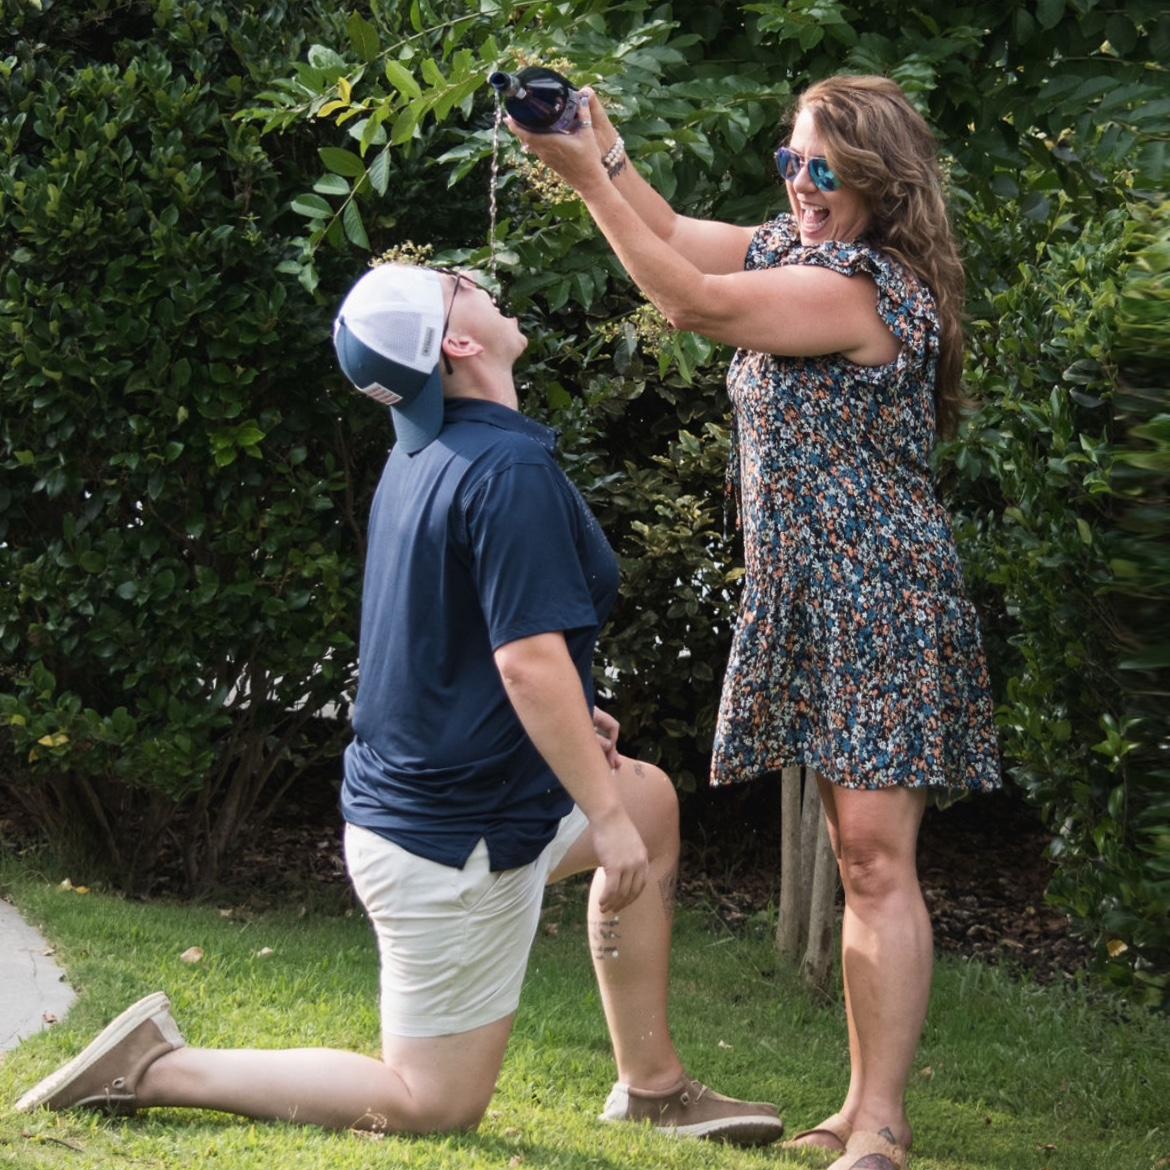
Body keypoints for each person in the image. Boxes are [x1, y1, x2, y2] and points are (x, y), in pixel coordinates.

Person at [15, 262, 784, 1147]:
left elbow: (455, 642)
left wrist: (579, 726)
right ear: (456, 343)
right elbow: (527, 663)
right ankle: (154, 1067)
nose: (481, 282)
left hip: (447, 808)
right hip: (454, 844)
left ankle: (653, 1088)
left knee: (649, 802)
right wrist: (598, 815)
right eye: (460, 285)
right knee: (432, 1103)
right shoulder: (504, 469)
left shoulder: (426, 453)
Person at [509, 74, 1001, 1170]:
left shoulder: (870, 292)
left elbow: (691, 300)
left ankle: (877, 1124)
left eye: (824, 169)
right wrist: (606, 150)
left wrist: (583, 179)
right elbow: (681, 237)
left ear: (880, 177)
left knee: (874, 859)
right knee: (853, 845)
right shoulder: (798, 249)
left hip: (881, 599)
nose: (800, 184)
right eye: (790, 161)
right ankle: (856, 1107)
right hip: (812, 594)